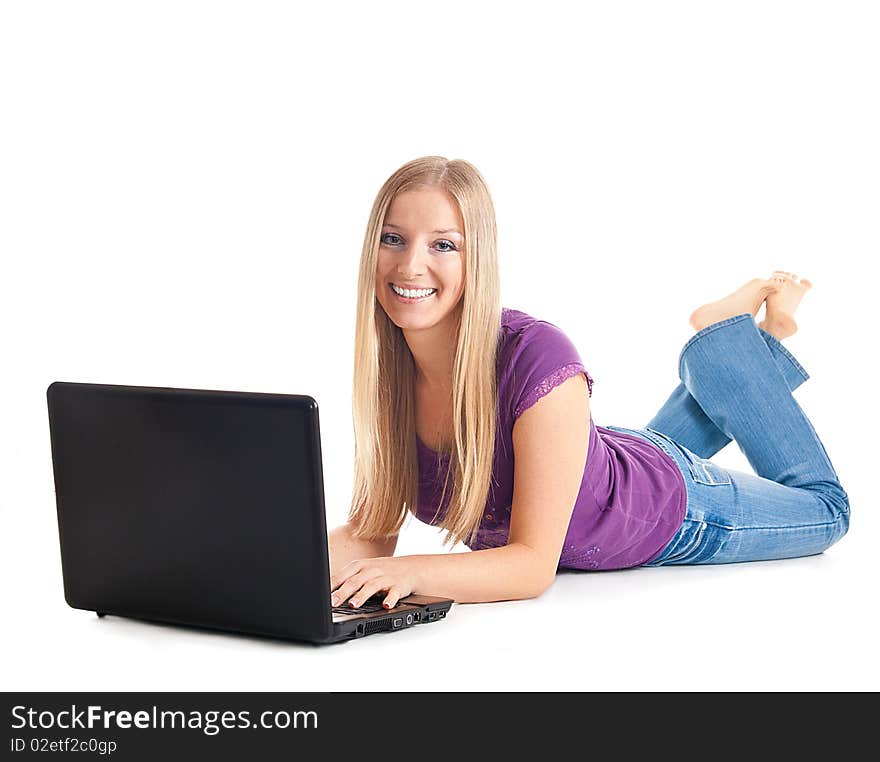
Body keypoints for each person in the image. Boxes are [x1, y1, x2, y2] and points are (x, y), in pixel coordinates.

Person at [328, 156, 850, 610]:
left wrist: (412, 573)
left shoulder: (536, 357)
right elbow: (371, 534)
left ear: (478, 260)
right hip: (602, 470)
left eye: (444, 244)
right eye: (392, 239)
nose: (410, 264)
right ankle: (740, 348)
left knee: (829, 509)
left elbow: (533, 566)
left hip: (675, 510)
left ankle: (729, 345)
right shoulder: (391, 372)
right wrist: (268, 561)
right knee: (632, 463)